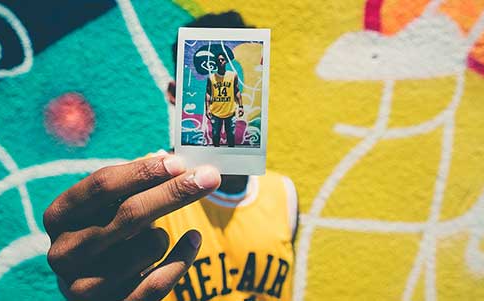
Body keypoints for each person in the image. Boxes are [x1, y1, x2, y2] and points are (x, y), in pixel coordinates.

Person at [44, 11, 298, 301]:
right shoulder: (137, 195)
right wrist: (77, 279)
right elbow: (96, 273)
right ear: (176, 94)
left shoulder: (284, 195)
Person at [206, 52, 243, 147]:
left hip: (230, 111)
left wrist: (241, 106)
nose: (220, 61)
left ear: (226, 61)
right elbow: (208, 93)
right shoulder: (211, 78)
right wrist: (207, 108)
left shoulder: (233, 75)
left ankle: (231, 154)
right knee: (215, 135)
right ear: (216, 63)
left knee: (231, 135)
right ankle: (216, 154)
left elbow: (237, 91)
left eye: (222, 59)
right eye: (218, 60)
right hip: (215, 112)